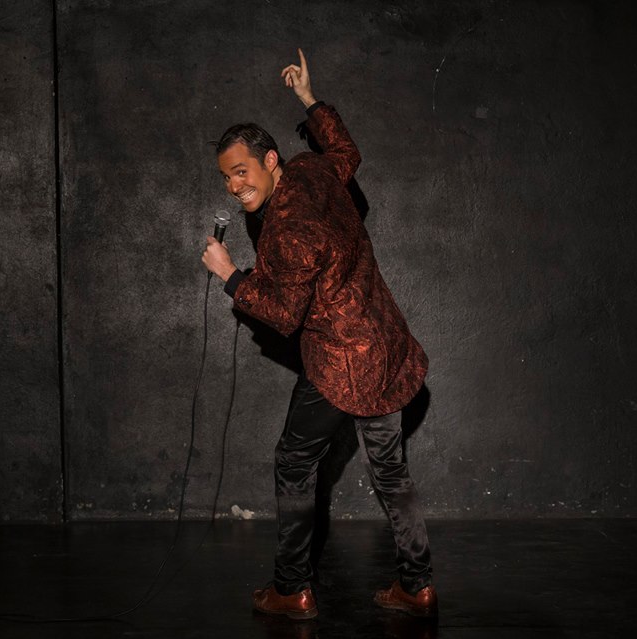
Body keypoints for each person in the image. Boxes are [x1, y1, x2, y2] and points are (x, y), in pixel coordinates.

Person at [202, 49, 437, 620]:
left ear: (270, 161)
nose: (234, 186)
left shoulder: (287, 227)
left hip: (340, 363)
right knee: (390, 471)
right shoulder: (311, 169)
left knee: (293, 462)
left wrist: (229, 275)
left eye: (242, 171)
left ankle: (292, 588)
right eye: (227, 177)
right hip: (385, 344)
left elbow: (284, 314)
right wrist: (309, 98)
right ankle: (418, 584)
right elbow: (346, 151)